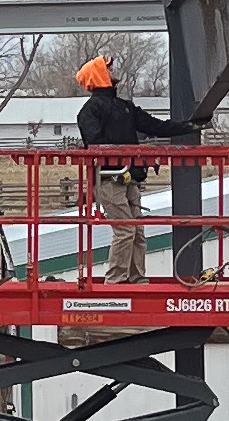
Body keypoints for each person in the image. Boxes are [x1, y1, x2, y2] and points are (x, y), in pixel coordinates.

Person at [74, 56, 195, 280]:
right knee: (126, 230)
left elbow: (155, 125)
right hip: (109, 180)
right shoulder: (91, 111)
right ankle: (116, 280)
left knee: (137, 231)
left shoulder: (123, 107)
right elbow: (96, 145)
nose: (112, 72)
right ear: (99, 75)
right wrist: (123, 162)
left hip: (127, 177)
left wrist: (188, 125)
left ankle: (137, 279)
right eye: (107, 69)